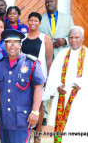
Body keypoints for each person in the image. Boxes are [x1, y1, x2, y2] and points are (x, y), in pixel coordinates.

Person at [45, 26, 88, 143]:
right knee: (64, 133)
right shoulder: (62, 54)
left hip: (82, 100)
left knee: (80, 131)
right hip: (63, 97)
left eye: (77, 37)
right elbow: (53, 74)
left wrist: (82, 84)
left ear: (83, 38)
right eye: (71, 37)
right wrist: (57, 86)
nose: (73, 40)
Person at [0, 29, 45, 143]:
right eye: (9, 42)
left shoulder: (31, 62)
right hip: (5, 118)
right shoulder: (0, 65)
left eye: (15, 42)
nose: (12, 46)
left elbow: (39, 88)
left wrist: (35, 112)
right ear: (4, 45)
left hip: (22, 119)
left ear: (20, 44)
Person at [21, 12, 53, 143]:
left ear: (39, 23)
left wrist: (48, 78)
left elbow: (49, 60)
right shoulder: (22, 38)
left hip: (39, 76)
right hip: (24, 77)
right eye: (31, 20)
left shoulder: (45, 38)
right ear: (28, 22)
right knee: (25, 105)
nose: (33, 23)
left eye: (36, 21)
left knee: (38, 106)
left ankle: (38, 135)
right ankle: (25, 133)